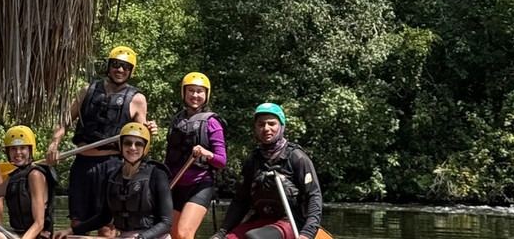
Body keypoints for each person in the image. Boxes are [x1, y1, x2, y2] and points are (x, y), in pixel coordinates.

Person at [45, 46, 157, 233]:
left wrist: (149, 130)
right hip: (82, 164)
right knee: (77, 224)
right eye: (116, 64)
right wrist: (53, 145)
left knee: (106, 227)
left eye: (125, 67)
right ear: (108, 66)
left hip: (112, 166)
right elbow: (64, 121)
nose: (120, 70)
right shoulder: (86, 90)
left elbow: (141, 136)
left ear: (131, 71)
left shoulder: (137, 99)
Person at [211, 103, 323, 239]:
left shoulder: (297, 157)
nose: (266, 128)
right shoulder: (253, 160)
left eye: (272, 124)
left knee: (255, 237)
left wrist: (308, 233)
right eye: (261, 124)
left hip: (290, 221)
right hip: (260, 220)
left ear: (281, 126)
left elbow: (314, 197)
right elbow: (240, 202)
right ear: (256, 128)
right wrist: (221, 233)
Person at [56, 122, 172, 239]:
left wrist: (141, 237)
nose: (132, 147)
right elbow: (104, 217)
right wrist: (72, 230)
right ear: (120, 145)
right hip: (125, 236)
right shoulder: (113, 176)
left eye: (138, 144)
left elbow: (166, 223)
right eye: (127, 143)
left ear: (145, 148)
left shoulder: (157, 175)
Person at [166, 72, 227, 239]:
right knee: (171, 235)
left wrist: (207, 154)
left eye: (200, 91)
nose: (195, 95)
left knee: (184, 234)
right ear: (183, 93)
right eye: (190, 91)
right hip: (176, 184)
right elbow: (169, 158)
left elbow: (222, 161)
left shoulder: (212, 123)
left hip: (200, 184)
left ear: (206, 94)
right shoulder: (176, 121)